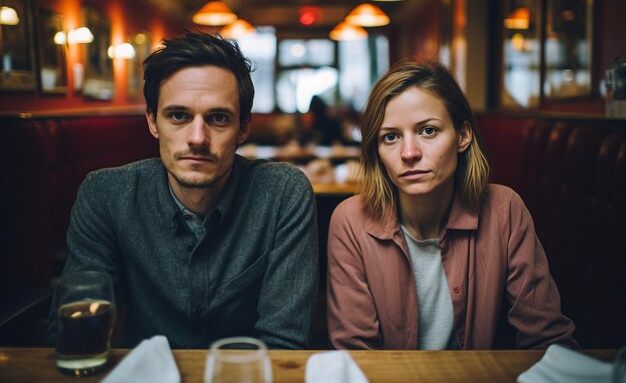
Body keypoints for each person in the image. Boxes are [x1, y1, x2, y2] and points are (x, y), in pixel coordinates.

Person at [49, 31, 319, 349]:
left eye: (218, 118)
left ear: (243, 128)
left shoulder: (282, 194)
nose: (197, 138)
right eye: (179, 116)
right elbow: (73, 334)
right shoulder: (107, 194)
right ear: (152, 121)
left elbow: (283, 343)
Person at [326, 59, 578, 350]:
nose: (409, 153)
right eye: (391, 137)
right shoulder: (350, 221)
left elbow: (547, 341)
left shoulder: (504, 209)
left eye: (428, 131)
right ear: (377, 150)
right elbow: (356, 356)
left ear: (463, 136)